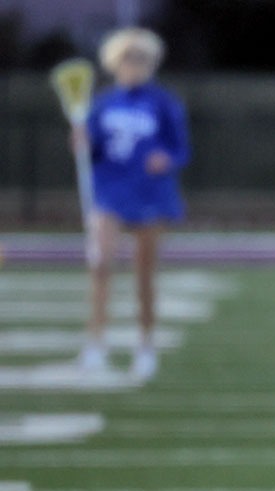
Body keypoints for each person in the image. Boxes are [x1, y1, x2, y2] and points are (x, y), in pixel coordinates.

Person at [70, 27, 189, 382]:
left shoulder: (164, 103)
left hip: (150, 194)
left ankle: (145, 345)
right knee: (100, 265)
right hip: (109, 193)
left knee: (144, 276)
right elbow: (92, 151)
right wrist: (81, 142)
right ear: (115, 62)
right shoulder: (103, 104)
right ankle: (96, 342)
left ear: (152, 63)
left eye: (141, 58)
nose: (134, 65)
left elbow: (181, 149)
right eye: (128, 58)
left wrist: (166, 159)